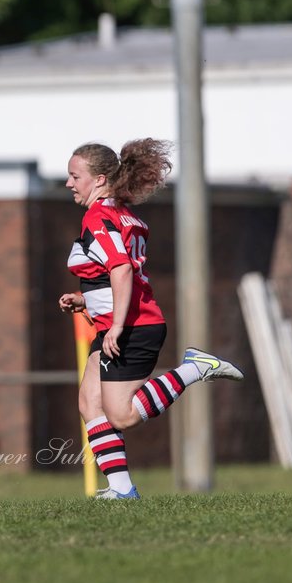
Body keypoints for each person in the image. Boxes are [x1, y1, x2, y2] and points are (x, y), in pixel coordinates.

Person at [58, 139, 243, 499]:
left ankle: (194, 368)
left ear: (98, 180)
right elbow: (113, 274)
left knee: (123, 415)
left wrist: (115, 325)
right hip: (122, 321)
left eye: (74, 175)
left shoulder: (99, 215)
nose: (69, 183)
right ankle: (122, 489)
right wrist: (86, 299)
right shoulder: (123, 213)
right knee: (89, 403)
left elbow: (123, 270)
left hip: (131, 326)